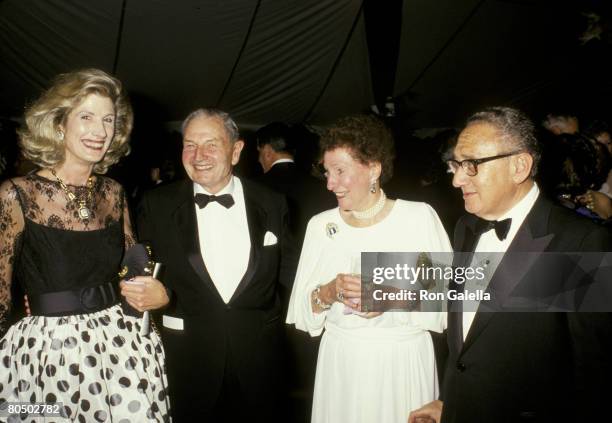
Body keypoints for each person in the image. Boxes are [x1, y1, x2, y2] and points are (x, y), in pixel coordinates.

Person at [409, 107, 611, 423]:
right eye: (456, 165)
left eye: (471, 164)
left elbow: (595, 375)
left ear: (519, 166)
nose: (457, 179)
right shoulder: (466, 227)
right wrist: (450, 400)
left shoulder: (581, 243)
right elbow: (467, 335)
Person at [0, 69, 171, 421]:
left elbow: (134, 274)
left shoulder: (113, 192)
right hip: (49, 356)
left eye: (108, 120)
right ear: (60, 123)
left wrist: (158, 295)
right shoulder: (16, 194)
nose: (99, 131)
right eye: (87, 117)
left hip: (121, 349)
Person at [286, 115, 452, 423]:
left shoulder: (417, 218)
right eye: (326, 172)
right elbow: (302, 312)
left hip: (402, 362)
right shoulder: (321, 225)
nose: (329, 183)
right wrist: (329, 292)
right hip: (341, 362)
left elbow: (449, 299)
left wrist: (390, 299)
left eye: (339, 171)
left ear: (374, 168)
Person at [136, 108, 295, 422]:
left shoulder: (272, 203)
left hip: (259, 362)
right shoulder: (156, 204)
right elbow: (135, 273)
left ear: (236, 151)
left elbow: (289, 274)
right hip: (187, 360)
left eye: (211, 144)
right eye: (190, 145)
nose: (199, 155)